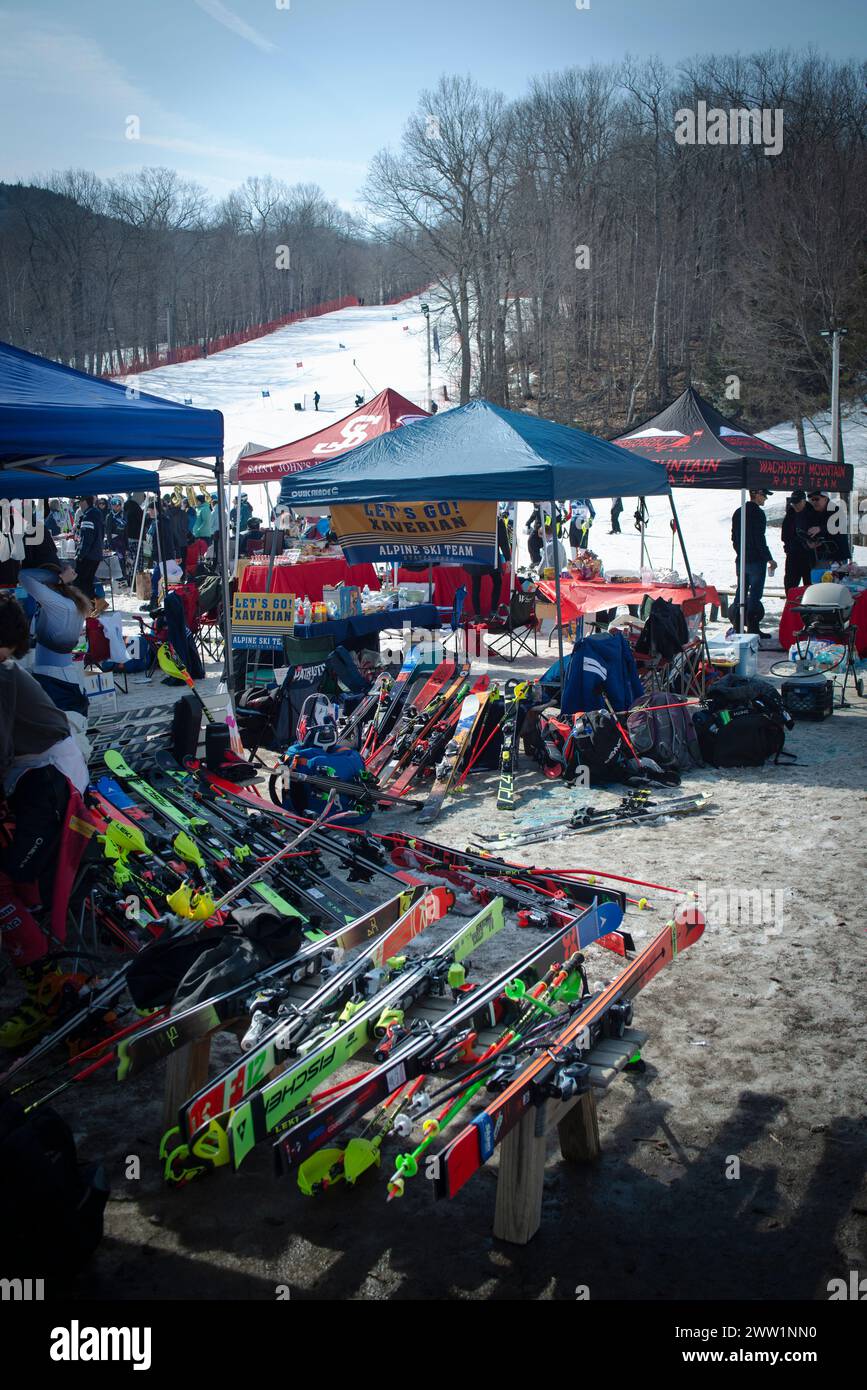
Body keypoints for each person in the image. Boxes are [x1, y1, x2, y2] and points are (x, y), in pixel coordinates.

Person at [17, 563, 89, 669]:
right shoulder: (72, 600)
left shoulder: (58, 603)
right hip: (64, 668)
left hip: (50, 670)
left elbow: (23, 575)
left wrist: (59, 578)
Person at [730, 488, 776, 636]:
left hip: (742, 559)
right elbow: (759, 539)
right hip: (756, 560)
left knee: (740, 592)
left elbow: (734, 538)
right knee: (755, 594)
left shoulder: (738, 512)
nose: (765, 499)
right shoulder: (758, 513)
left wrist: (740, 552)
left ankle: (737, 626)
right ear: (756, 494)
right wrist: (768, 558)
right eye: (764, 496)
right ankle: (753, 627)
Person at [466, 513, 512, 623]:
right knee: (496, 582)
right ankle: (491, 612)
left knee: (477, 585)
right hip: (489, 557)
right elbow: (504, 542)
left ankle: (479, 614)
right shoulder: (497, 520)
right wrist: (508, 560)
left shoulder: (472, 517)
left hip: (475, 557)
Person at [804, 490, 851, 565]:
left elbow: (835, 527)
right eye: (812, 500)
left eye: (816, 499)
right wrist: (810, 542)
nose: (814, 502)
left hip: (838, 556)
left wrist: (820, 529)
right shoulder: (813, 513)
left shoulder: (836, 510)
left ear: (825, 498)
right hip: (822, 555)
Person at [780, 488, 814, 592]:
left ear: (804, 501)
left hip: (809, 555)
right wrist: (788, 548)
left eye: (797, 503)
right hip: (793, 555)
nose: (795, 505)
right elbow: (784, 535)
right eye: (793, 503)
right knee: (790, 586)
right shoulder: (790, 514)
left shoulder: (812, 513)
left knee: (809, 587)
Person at [74, 495, 104, 599]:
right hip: (95, 554)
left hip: (88, 555)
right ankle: (96, 603)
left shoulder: (88, 516)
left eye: (80, 502)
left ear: (85, 502)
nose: (79, 505)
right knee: (87, 582)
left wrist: (80, 555)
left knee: (80, 582)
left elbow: (87, 539)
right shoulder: (97, 514)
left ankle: (92, 604)